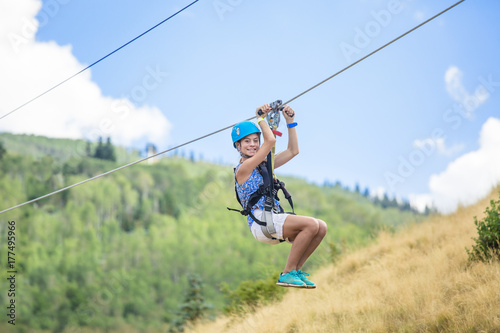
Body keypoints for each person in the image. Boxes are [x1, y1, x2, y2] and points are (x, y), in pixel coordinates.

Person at [231, 103, 327, 288]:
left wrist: (290, 122)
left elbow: (293, 151)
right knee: (311, 224)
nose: (252, 145)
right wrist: (260, 119)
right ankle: (287, 273)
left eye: (255, 140)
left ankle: (295, 270)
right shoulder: (243, 169)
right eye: (247, 141)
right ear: (238, 146)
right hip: (261, 221)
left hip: (272, 218)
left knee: (320, 227)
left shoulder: (264, 166)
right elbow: (270, 142)